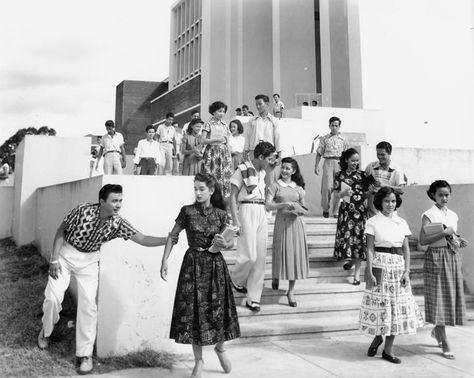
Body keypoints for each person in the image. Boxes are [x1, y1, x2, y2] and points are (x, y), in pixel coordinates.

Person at [37, 184, 175, 375]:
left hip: (90, 261)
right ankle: (46, 331)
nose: (118, 205)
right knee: (53, 297)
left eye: (120, 201)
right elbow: (61, 231)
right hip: (66, 255)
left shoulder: (118, 223)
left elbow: (142, 238)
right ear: (102, 201)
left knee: (89, 307)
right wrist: (54, 259)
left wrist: (167, 240)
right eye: (114, 201)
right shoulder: (82, 211)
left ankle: (84, 355)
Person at [161, 173, 240, 378]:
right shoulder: (187, 212)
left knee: (220, 310)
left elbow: (231, 242)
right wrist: (164, 260)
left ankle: (220, 348)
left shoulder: (222, 214)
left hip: (216, 266)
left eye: (201, 189)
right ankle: (199, 360)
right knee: (194, 312)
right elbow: (173, 235)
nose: (197, 192)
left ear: (211, 190)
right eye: (195, 188)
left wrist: (226, 244)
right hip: (193, 265)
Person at [359, 187, 424, 364]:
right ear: (380, 202)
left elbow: (406, 249)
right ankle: (378, 337)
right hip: (380, 265)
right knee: (383, 307)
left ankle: (388, 350)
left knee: (396, 309)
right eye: (387, 201)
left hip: (398, 266)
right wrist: (370, 271)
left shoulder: (401, 222)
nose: (390, 204)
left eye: (393, 201)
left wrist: (407, 271)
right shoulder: (372, 222)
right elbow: (370, 249)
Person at [419, 180, 468, 359]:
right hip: (435, 258)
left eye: (447, 194)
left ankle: (438, 332)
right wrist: (443, 233)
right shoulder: (428, 214)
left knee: (449, 298)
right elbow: (423, 241)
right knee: (438, 298)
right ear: (433, 195)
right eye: (440, 195)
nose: (444, 198)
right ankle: (444, 340)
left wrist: (457, 239)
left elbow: (451, 235)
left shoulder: (453, 215)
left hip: (452, 256)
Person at [230, 141, 276, 312]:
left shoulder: (264, 172)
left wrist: (270, 171)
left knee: (260, 257)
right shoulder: (242, 169)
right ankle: (236, 278)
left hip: (261, 210)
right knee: (248, 254)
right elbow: (232, 196)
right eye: (269, 159)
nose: (271, 161)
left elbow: (271, 188)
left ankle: (254, 298)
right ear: (261, 157)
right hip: (246, 209)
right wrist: (235, 219)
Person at [265, 157, 309, 307]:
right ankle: (275, 276)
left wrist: (299, 210)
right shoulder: (275, 185)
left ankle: (291, 291)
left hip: (296, 225)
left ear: (294, 171)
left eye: (288, 168)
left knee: (294, 256)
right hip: (281, 224)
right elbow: (268, 205)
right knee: (279, 252)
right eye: (283, 167)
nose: (284, 171)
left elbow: (304, 208)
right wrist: (283, 204)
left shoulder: (299, 188)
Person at [333, 148, 369, 284]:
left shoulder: (363, 175)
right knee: (349, 240)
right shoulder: (339, 175)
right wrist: (343, 195)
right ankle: (352, 262)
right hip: (346, 210)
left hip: (360, 211)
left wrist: (370, 192)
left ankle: (356, 275)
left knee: (359, 240)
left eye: (357, 161)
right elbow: (336, 194)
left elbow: (366, 194)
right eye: (352, 160)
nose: (355, 163)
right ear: (346, 160)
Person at [244, 94, 282, 187]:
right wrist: (245, 154)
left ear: (267, 104)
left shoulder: (274, 121)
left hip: (270, 155)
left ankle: (269, 201)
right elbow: (247, 137)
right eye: (256, 104)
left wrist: (279, 156)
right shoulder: (252, 121)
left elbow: (278, 138)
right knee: (254, 180)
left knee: (269, 181)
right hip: (254, 153)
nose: (258, 106)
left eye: (260, 104)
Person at [314, 116, 349, 218]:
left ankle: (336, 211)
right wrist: (316, 165)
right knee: (327, 188)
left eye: (336, 126)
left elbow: (347, 154)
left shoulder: (344, 139)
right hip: (328, 162)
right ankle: (325, 208)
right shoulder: (325, 139)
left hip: (340, 163)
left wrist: (347, 168)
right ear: (329, 126)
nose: (334, 127)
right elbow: (319, 153)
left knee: (338, 188)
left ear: (339, 127)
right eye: (332, 125)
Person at [200, 101, 233, 199]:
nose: (221, 113)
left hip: (223, 153)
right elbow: (203, 140)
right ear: (213, 112)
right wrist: (215, 140)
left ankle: (223, 199)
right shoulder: (208, 124)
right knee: (211, 175)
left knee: (224, 176)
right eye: (219, 111)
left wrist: (229, 155)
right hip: (212, 152)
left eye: (223, 111)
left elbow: (227, 141)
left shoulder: (225, 125)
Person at [365, 141, 406, 217]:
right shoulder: (371, 166)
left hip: (389, 212)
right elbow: (364, 185)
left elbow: (401, 190)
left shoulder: (396, 169)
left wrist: (384, 186)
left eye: (383, 154)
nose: (380, 157)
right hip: (373, 212)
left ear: (389, 153)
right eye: (378, 154)